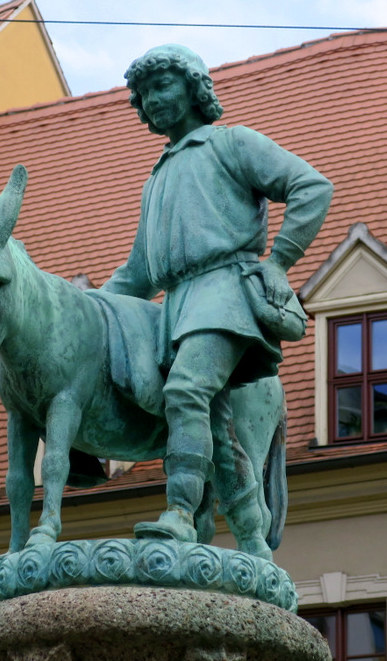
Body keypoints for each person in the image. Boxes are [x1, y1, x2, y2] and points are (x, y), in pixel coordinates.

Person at [101, 44, 332, 558]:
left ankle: (181, 513)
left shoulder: (230, 145)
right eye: (142, 95)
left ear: (193, 87)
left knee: (184, 392)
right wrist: (79, 309)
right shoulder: (156, 179)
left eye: (162, 85)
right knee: (215, 427)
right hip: (178, 307)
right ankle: (252, 537)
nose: (152, 101)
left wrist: (278, 262)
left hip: (225, 292)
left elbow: (311, 187)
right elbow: (138, 274)